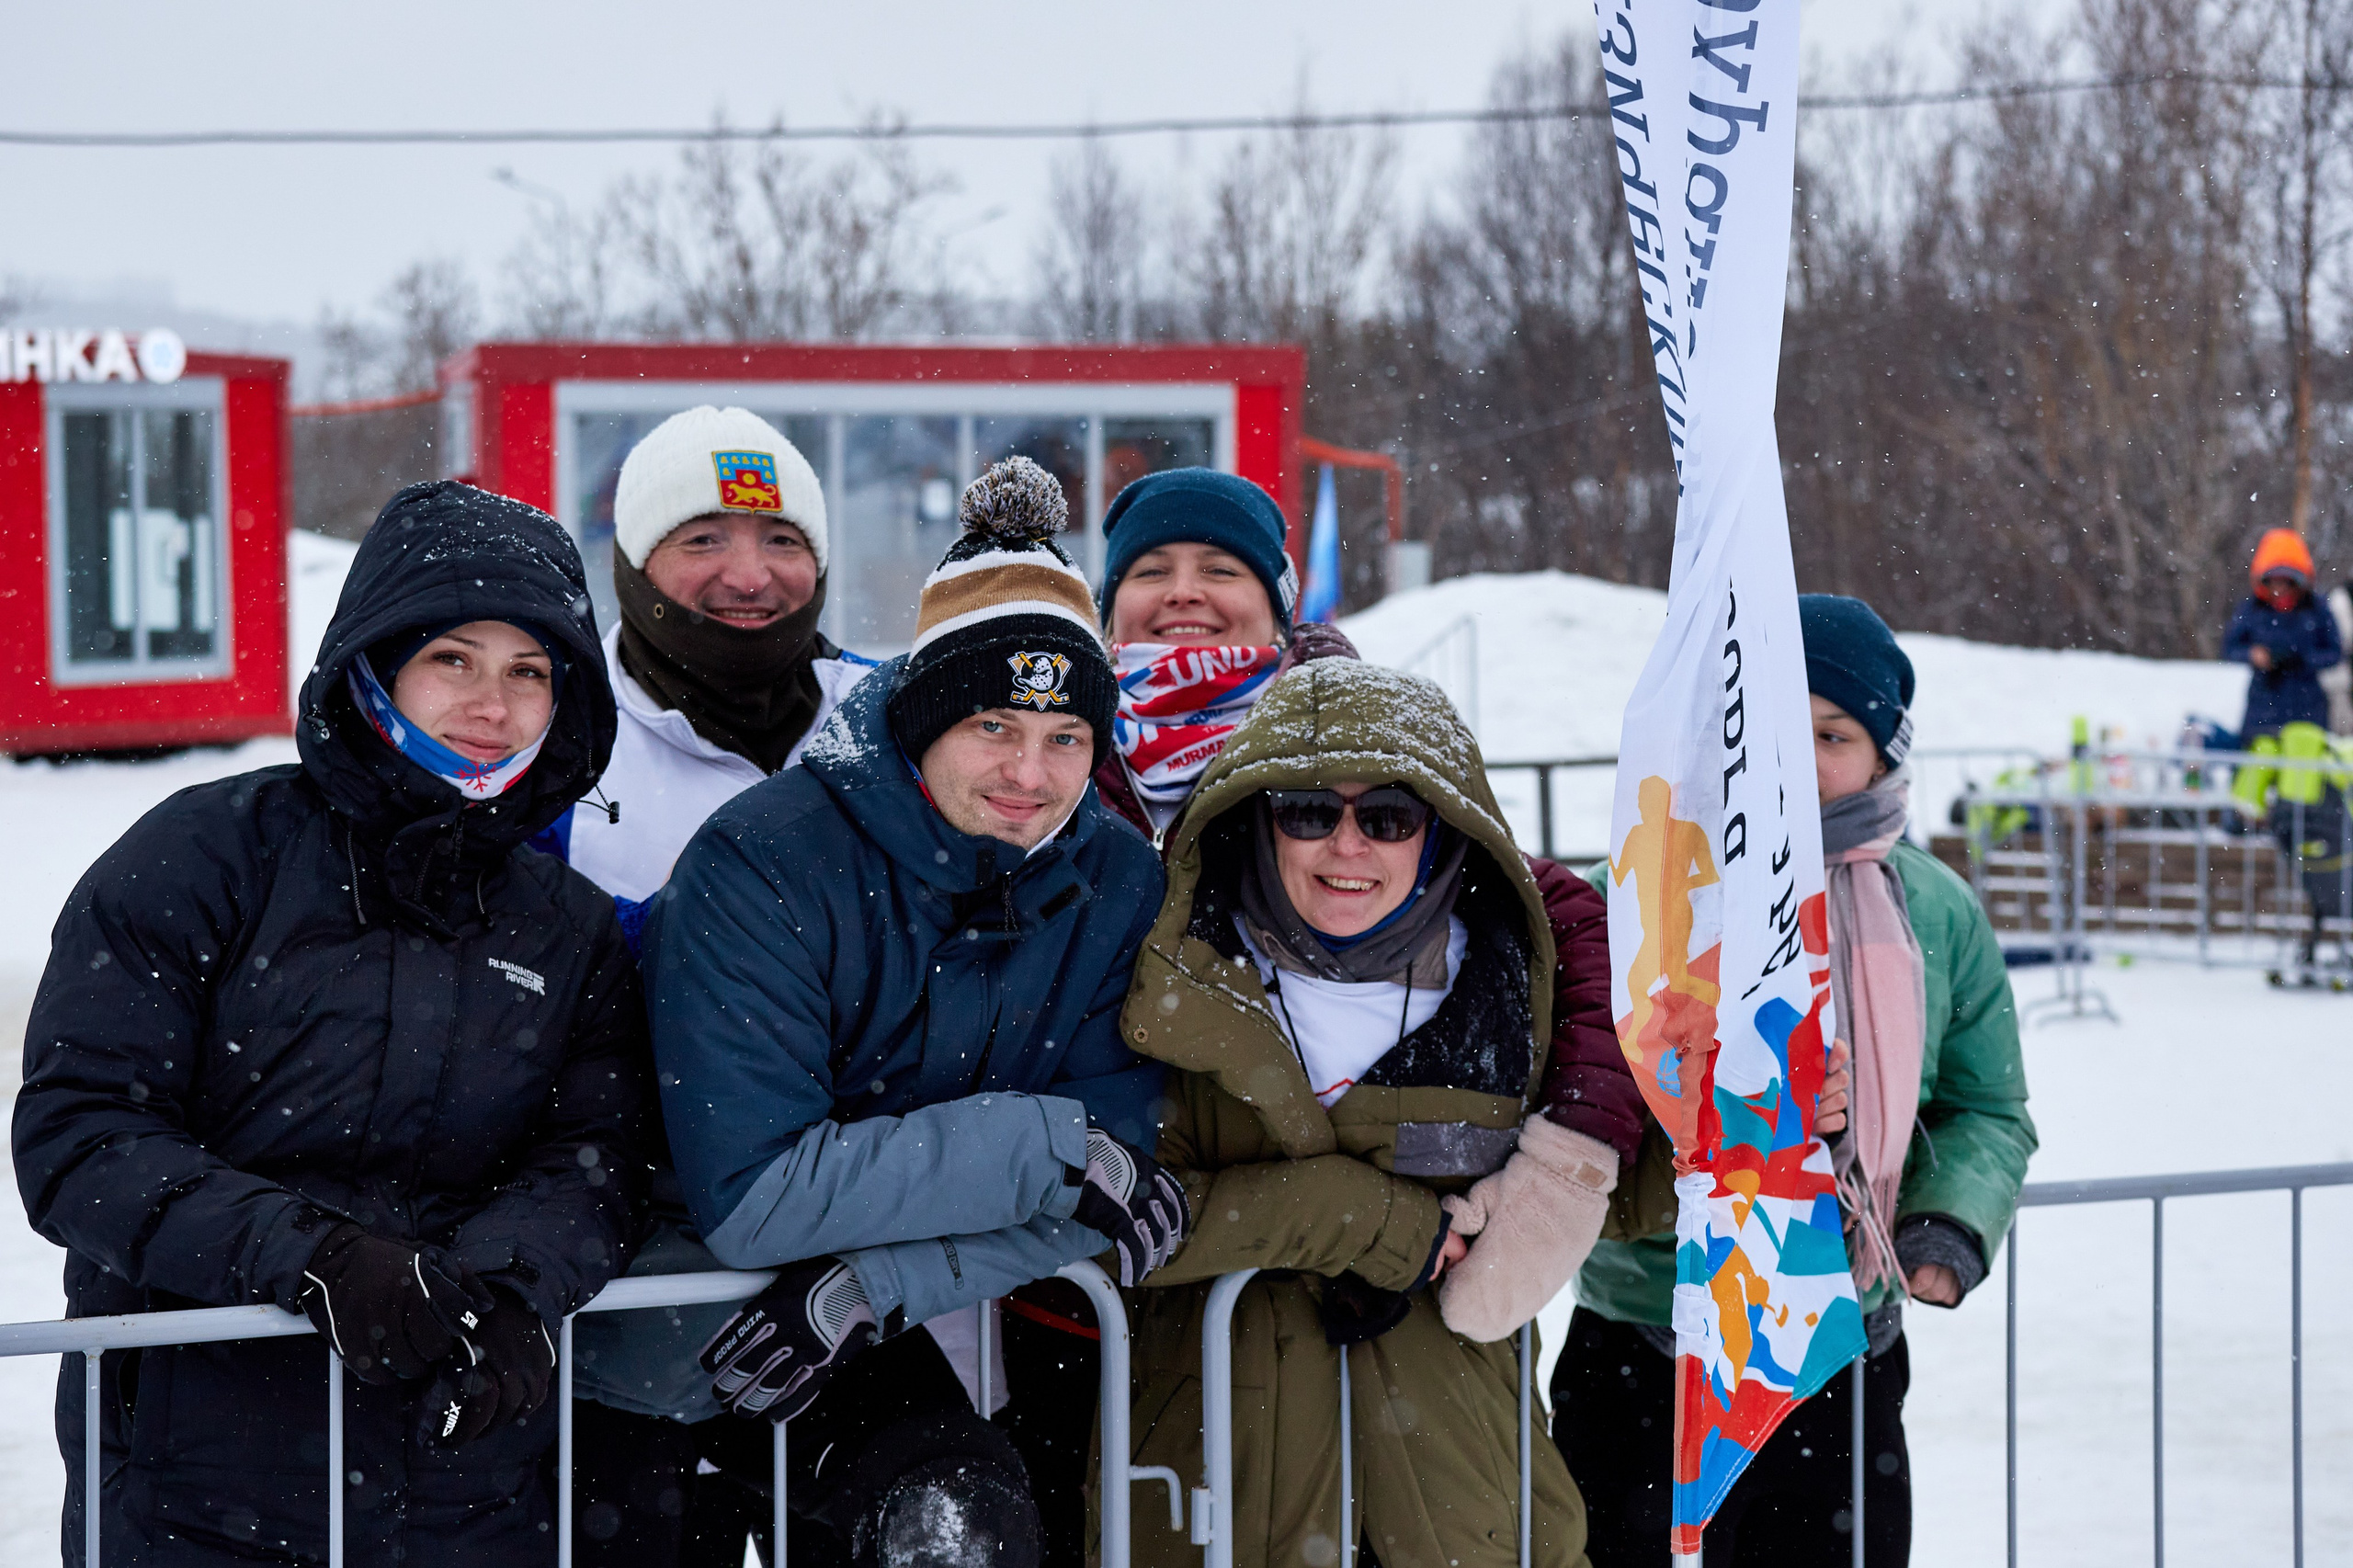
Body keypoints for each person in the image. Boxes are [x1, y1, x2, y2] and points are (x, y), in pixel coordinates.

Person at [12, 481, 653, 1567]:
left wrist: (508, 1283)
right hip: (195, 1478)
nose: (491, 703)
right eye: (454, 657)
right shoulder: (207, 855)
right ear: (374, 662)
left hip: (473, 1487)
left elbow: (603, 1154)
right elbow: (83, 1136)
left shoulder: (567, 926)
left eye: (529, 671)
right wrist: (315, 1259)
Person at [642, 457, 1188, 1568]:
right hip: (680, 1324)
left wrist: (874, 1280)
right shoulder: (767, 858)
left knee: (958, 1527)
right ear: (921, 717)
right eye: (993, 724)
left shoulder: (1117, 878)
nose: (1030, 773)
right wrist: (1042, 1145)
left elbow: (1113, 1177)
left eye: (1066, 736)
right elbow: (756, 1195)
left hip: (891, 1330)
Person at [1552, 593, 2038, 1567]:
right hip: (1648, 1330)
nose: (1796, 756)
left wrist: (1942, 1224)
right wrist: (1712, 1116)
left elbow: (1987, 1104)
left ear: (1882, 753)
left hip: (1841, 1347)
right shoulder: (1632, 893)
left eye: (1831, 731)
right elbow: (1569, 1088)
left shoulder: (1931, 910)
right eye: (1771, 724)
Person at [1120, 658, 1639, 1568]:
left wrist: (1800, 1113)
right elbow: (1113, 1224)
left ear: (1440, 831)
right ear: (1259, 815)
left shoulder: (1515, 983)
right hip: (1216, 1506)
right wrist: (1361, 1218)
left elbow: (1655, 1187)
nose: (1347, 846)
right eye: (1309, 810)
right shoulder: (1170, 977)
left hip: (1465, 1504)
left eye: (1388, 816)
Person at [1096, 466, 1648, 1320]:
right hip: (1147, 1324)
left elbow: (1557, 921)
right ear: (1109, 606)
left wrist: (1576, 1148)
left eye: (1220, 569)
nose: (1183, 594)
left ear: (1279, 608)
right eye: (1150, 570)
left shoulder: (1360, 738)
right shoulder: (1055, 758)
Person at [536, 408, 876, 1566]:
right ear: (632, 562)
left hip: (872, 1302)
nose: (748, 575)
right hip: (625, 1309)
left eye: (782, 537)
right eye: (701, 539)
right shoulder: (558, 738)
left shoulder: (893, 722)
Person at [2222, 527, 2341, 744]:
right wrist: (2254, 655)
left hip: (2307, 706)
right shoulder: (2253, 609)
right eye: (2274, 581)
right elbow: (2230, 647)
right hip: (2263, 705)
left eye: (2286, 581)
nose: (2280, 588)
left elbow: (2334, 652)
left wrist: (2301, 659)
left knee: (2301, 767)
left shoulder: (2317, 609)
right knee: (2258, 762)